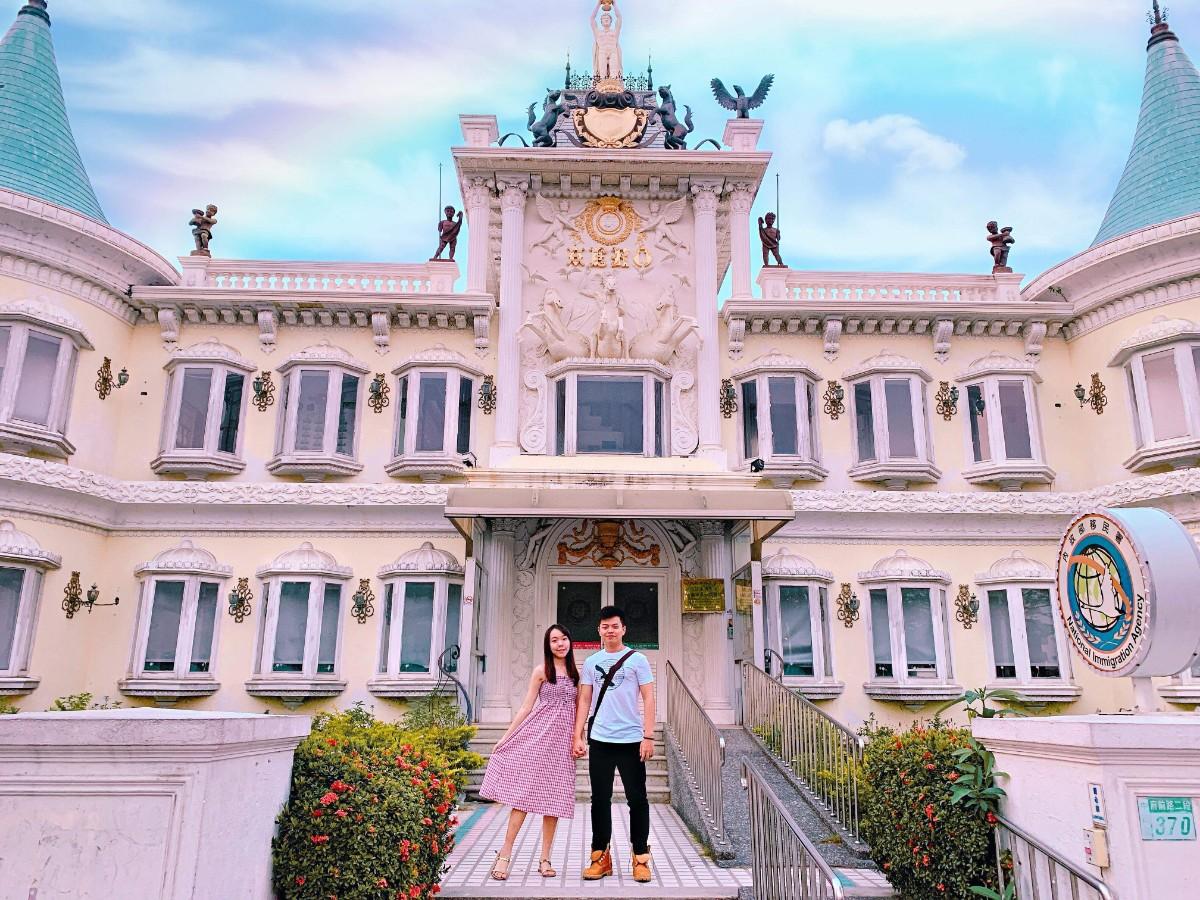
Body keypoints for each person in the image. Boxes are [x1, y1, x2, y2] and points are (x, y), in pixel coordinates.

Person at [479, 625, 581, 881]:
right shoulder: (541, 671)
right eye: (554, 640)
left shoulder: (576, 673)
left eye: (564, 639)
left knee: (554, 801)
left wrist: (579, 737)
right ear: (548, 645)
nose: (560, 644)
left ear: (570, 642)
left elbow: (581, 708)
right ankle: (504, 854)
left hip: (562, 746)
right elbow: (526, 706)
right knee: (523, 797)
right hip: (538, 737)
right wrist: (505, 737)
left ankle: (545, 859)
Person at [573, 606, 655, 884]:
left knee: (637, 799)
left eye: (615, 626)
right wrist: (578, 735)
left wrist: (648, 736)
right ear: (599, 630)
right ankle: (600, 857)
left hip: (631, 740)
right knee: (599, 800)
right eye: (605, 626)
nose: (610, 630)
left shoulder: (638, 660)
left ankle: (640, 858)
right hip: (600, 739)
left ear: (623, 629)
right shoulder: (591, 662)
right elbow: (584, 700)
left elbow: (649, 698)